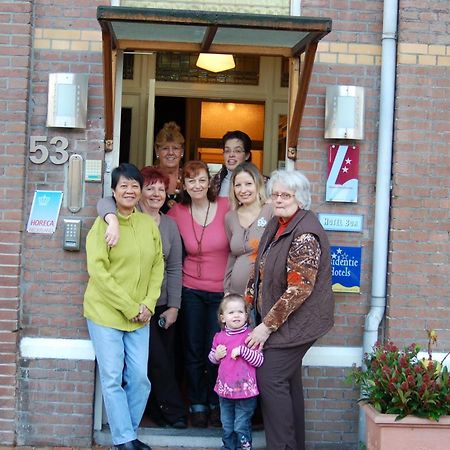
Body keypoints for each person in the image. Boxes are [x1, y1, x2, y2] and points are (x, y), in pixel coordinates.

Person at [244, 170, 335, 450]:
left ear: (301, 198)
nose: (279, 199)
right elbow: (260, 270)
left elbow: (299, 289)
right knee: (287, 380)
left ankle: (281, 446)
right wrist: (247, 306)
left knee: (270, 376)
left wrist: (265, 326)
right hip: (282, 320)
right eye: (275, 194)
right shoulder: (278, 223)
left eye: (286, 195)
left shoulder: (305, 233)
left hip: (299, 322)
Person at [97, 166, 187, 429]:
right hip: (127, 305)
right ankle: (171, 413)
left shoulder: (169, 224)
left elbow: (173, 267)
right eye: (150, 188)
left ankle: (158, 413)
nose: (156, 194)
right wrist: (111, 219)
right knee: (148, 364)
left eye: (161, 189)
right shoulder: (123, 215)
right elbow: (103, 201)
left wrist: (174, 306)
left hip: (158, 304)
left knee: (162, 362)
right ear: (139, 193)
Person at [84, 163, 164, 450]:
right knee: (112, 377)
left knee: (140, 379)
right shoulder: (102, 224)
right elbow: (98, 272)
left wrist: (148, 304)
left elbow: (158, 265)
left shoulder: (147, 224)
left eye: (134, 186)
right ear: (114, 192)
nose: (130, 191)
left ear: (140, 191)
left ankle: (125, 434)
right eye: (124, 186)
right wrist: (130, 305)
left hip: (140, 316)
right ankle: (125, 439)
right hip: (105, 313)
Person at [167, 160, 230, 428]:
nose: (197, 185)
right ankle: (198, 404)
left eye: (202, 179)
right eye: (191, 180)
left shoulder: (227, 207)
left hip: (223, 294)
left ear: (210, 181)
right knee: (193, 351)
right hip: (191, 290)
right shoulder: (177, 212)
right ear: (183, 183)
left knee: (216, 350)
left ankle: (217, 403)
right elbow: (151, 220)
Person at [208, 294, 264, 450]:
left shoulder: (251, 336)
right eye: (231, 312)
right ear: (223, 317)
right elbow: (212, 359)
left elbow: (259, 361)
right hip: (225, 391)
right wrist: (216, 355)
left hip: (245, 392)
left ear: (246, 316)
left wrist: (243, 351)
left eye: (240, 311)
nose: (236, 315)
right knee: (227, 425)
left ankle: (244, 447)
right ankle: (228, 447)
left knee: (240, 425)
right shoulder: (219, 337)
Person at [224, 162, 273, 296]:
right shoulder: (230, 218)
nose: (243, 190)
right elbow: (232, 256)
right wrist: (227, 290)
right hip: (236, 296)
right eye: (238, 185)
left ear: (257, 185)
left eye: (248, 184)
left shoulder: (271, 211)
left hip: (263, 295)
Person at [154, 121, 185, 211]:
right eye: (165, 148)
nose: (170, 153)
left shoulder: (189, 178)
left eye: (175, 148)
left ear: (182, 152)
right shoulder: (147, 177)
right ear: (157, 151)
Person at [211, 130, 252, 197]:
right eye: (227, 151)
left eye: (237, 151)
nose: (231, 155)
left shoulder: (261, 182)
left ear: (247, 155)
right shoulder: (213, 183)